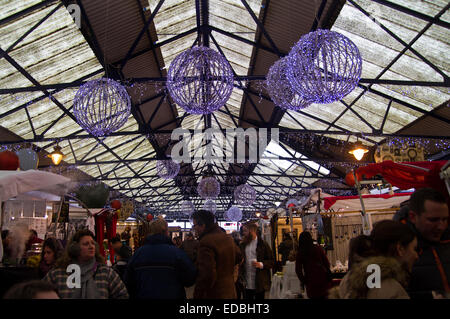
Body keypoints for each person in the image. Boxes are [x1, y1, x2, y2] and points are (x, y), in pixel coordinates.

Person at [329, 220, 418, 299]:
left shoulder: (348, 281)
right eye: (414, 249)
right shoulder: (391, 290)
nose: (416, 256)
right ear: (400, 249)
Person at [43, 229, 128, 299]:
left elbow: (122, 295)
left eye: (92, 243)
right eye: (86, 244)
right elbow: (41, 294)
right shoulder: (59, 274)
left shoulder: (105, 273)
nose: (91, 246)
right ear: (75, 248)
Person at [124, 217, 196, 299]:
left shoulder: (138, 254)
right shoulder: (177, 253)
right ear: (166, 232)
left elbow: (128, 282)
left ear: (150, 232)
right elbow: (190, 279)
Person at [406, 188, 450, 298]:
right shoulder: (396, 249)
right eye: (433, 220)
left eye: (445, 219)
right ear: (413, 217)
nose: (441, 226)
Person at [192, 210, 242, 299]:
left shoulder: (206, 242)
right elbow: (239, 258)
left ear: (202, 225)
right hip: (230, 291)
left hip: (214, 294)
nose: (194, 228)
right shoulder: (228, 238)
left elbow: (207, 275)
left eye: (194, 225)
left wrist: (198, 295)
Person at [239, 221, 274, 300]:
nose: (243, 233)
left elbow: (272, 261)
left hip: (260, 282)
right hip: (246, 281)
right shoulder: (242, 245)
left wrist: (261, 264)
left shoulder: (263, 244)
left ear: (252, 231)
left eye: (245, 231)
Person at [295, 231, 331, 299]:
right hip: (322, 279)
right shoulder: (318, 248)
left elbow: (298, 270)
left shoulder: (301, 252)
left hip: (310, 281)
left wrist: (304, 280)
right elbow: (327, 263)